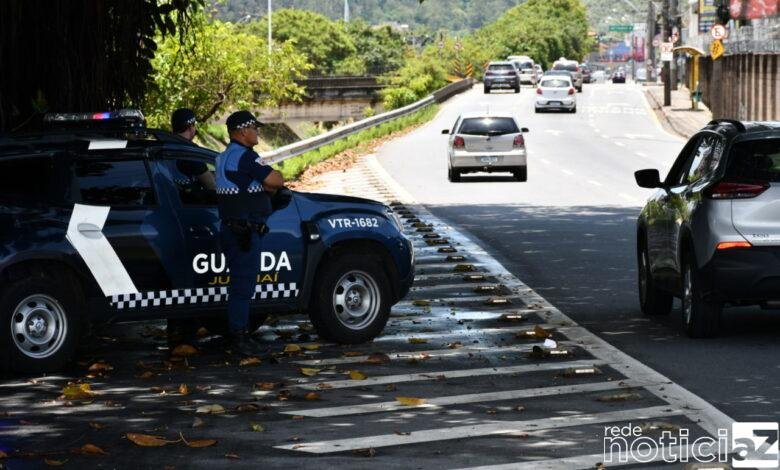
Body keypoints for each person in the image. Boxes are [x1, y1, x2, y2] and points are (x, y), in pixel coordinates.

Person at [216, 110, 284, 355]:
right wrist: (272, 182)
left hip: (231, 229)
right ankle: (239, 337)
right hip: (244, 232)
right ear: (242, 131)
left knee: (238, 283)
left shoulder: (222, 157)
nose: (257, 132)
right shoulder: (246, 157)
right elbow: (275, 180)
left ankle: (236, 333)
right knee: (243, 286)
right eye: (254, 128)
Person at [169, 107, 216, 190]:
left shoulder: (166, 145)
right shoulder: (190, 151)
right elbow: (211, 184)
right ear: (191, 127)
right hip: (185, 201)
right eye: (194, 125)